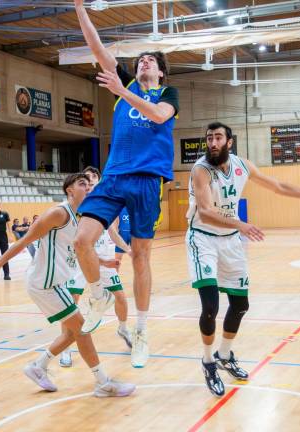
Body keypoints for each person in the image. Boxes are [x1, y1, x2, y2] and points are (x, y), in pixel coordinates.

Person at [187, 122, 300, 396]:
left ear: (229, 142)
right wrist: (241, 224)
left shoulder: (242, 165)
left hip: (231, 241)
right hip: (203, 239)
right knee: (210, 305)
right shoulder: (201, 170)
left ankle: (225, 354)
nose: (212, 143)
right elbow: (205, 212)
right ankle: (208, 360)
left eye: (217, 138)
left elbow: (279, 186)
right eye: (209, 138)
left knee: (240, 304)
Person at [73, 0, 180, 368]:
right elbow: (96, 46)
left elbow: (156, 115)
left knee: (140, 258)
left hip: (148, 180)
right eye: (140, 61)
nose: (143, 62)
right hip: (115, 175)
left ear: (161, 73)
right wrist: (79, 8)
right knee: (81, 240)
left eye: (150, 61)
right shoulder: (125, 82)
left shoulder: (167, 95)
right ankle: (98, 293)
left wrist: (121, 90)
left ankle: (142, 331)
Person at [0, 173, 135, 398]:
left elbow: (75, 248)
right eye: (82, 184)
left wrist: (102, 261)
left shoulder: (81, 217)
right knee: (82, 329)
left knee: (73, 333)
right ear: (69, 190)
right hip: (43, 283)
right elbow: (24, 241)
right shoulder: (58, 213)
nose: (88, 187)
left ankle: (38, 367)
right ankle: (103, 383)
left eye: (89, 184)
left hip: (55, 283)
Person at [59, 167, 133, 368]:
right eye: (86, 180)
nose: (89, 183)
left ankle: (124, 329)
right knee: (70, 305)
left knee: (120, 297)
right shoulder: (73, 208)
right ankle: (65, 350)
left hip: (103, 259)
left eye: (93, 179)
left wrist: (128, 249)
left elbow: (113, 233)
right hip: (80, 261)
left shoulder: (103, 206)